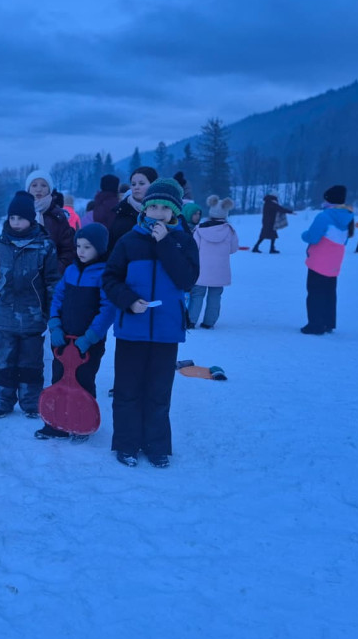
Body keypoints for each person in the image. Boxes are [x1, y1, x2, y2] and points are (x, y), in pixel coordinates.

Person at [102, 178, 199, 469]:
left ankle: (157, 447)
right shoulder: (128, 241)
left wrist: (165, 243)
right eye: (153, 207)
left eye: (164, 208)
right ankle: (126, 444)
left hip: (166, 332)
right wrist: (129, 300)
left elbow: (187, 280)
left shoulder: (183, 241)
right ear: (144, 209)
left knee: (159, 393)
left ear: (175, 212)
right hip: (132, 329)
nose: (157, 213)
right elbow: (110, 278)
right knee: (127, 390)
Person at [0, 191, 61, 419]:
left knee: (31, 363)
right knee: (3, 361)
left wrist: (52, 314)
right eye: (12, 218)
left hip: (33, 317)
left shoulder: (45, 246)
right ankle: (2, 402)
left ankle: (31, 402)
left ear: (31, 219)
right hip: (3, 317)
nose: (15, 222)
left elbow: (52, 282)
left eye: (20, 218)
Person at [37, 223, 117, 441]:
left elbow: (108, 310)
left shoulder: (105, 274)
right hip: (63, 339)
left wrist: (90, 337)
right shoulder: (71, 271)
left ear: (99, 248)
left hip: (88, 343)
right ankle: (57, 424)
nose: (81, 251)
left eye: (87, 247)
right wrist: (55, 325)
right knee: (59, 378)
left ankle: (82, 422)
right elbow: (58, 298)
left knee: (83, 381)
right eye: (79, 246)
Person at [300, 185, 355, 335]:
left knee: (315, 292)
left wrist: (304, 235)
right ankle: (328, 322)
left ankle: (315, 325)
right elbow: (345, 240)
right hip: (335, 262)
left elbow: (313, 237)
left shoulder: (324, 216)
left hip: (318, 261)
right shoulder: (348, 216)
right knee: (329, 292)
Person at [188, 196, 239, 329]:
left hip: (201, 270)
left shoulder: (200, 229)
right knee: (215, 296)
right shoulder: (230, 230)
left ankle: (191, 320)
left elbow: (194, 248)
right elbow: (233, 249)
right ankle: (209, 322)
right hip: (220, 270)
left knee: (197, 295)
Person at [25, 170, 76, 271]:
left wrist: (55, 271)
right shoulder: (20, 214)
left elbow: (68, 250)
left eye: (44, 185)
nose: (39, 189)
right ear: (28, 189)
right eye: (34, 185)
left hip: (50, 276)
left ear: (49, 189)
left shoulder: (58, 217)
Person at [109, 166, 158, 248]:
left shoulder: (166, 212)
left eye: (141, 183)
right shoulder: (121, 211)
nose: (136, 187)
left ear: (154, 185)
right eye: (133, 184)